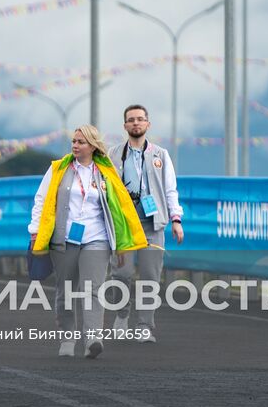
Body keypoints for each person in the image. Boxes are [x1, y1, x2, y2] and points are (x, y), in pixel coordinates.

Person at [28, 126, 148, 358]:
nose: (75, 145)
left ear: (92, 146)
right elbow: (41, 199)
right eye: (73, 141)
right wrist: (35, 231)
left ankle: (93, 337)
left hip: (97, 238)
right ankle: (67, 336)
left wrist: (120, 244)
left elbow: (118, 209)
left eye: (81, 142)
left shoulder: (105, 172)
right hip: (64, 239)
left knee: (92, 288)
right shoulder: (58, 169)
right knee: (66, 291)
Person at [112, 104, 184, 342]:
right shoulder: (113, 155)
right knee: (121, 274)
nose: (136, 123)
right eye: (131, 120)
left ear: (147, 124)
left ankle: (145, 325)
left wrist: (176, 219)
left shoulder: (160, 155)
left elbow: (170, 189)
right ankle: (122, 314)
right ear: (124, 125)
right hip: (123, 224)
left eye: (140, 119)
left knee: (150, 276)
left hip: (152, 224)